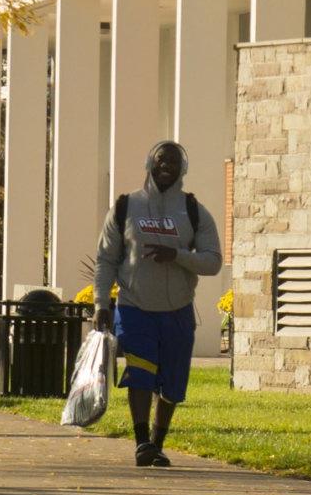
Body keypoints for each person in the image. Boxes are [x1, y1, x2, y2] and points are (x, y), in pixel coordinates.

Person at [94, 140, 221, 467]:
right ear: (150, 163)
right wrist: (101, 303)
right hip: (135, 308)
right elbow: (106, 260)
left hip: (178, 311)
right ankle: (141, 444)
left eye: (174, 162)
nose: (166, 166)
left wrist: (177, 256)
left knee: (172, 385)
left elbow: (213, 262)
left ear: (183, 169)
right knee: (141, 375)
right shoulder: (126, 206)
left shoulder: (193, 210)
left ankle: (157, 442)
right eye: (161, 160)